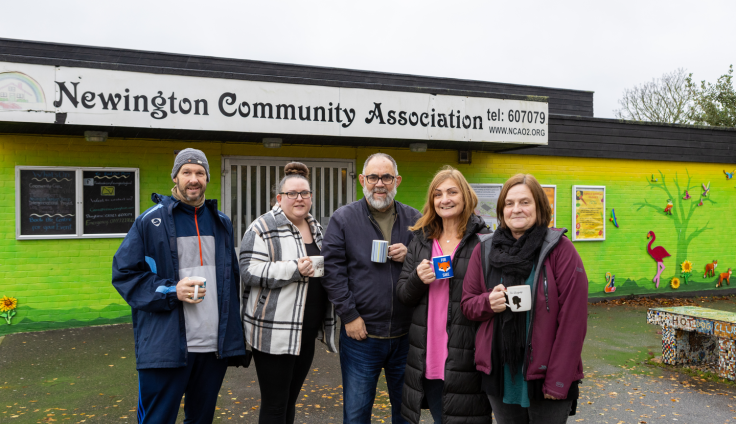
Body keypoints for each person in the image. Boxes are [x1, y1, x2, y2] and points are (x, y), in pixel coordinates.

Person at [112, 148, 246, 424]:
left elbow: (231, 281)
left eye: (199, 172)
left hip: (212, 349)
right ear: (175, 177)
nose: (193, 179)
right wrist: (172, 291)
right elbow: (124, 274)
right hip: (167, 347)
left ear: (207, 178)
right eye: (187, 172)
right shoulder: (150, 221)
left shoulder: (221, 223)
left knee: (201, 420)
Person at [461, 173, 588, 424]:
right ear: (501, 210)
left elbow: (573, 322)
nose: (516, 209)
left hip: (545, 375)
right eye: (509, 203)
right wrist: (488, 303)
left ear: (539, 207)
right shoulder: (485, 249)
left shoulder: (560, 250)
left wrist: (557, 380)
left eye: (525, 202)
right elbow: (468, 304)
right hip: (501, 374)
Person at [321, 153, 421, 424]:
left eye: (386, 177)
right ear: (363, 180)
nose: (380, 183)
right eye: (373, 177)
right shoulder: (343, 218)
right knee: (356, 415)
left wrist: (411, 255)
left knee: (407, 414)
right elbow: (333, 272)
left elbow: (431, 265)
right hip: (361, 337)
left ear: (396, 180)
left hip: (407, 336)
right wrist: (349, 316)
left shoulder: (415, 219)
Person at [239, 162, 336, 424]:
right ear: (279, 198)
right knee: (274, 405)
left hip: (305, 331)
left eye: (305, 193)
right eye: (292, 194)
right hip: (274, 331)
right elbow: (248, 271)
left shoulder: (316, 228)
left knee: (290, 400)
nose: (299, 199)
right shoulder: (261, 228)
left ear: (311, 198)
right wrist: (293, 268)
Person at [396, 166, 493, 424]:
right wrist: (418, 278)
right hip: (427, 355)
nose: (445, 199)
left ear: (465, 197)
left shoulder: (483, 242)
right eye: (438, 194)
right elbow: (404, 296)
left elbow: (490, 299)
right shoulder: (420, 240)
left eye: (452, 192)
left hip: (466, 356)